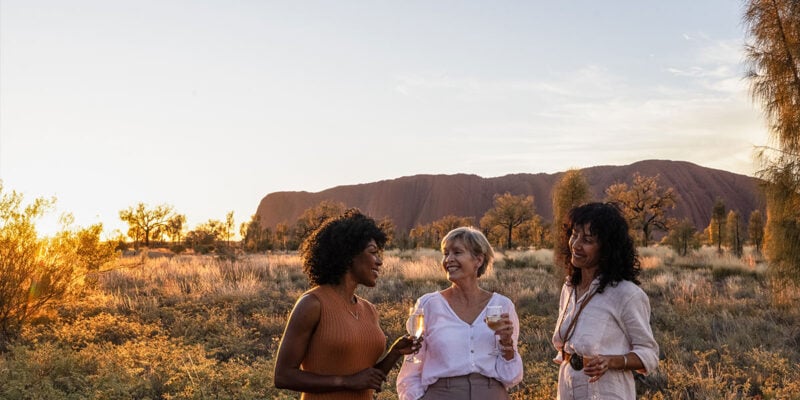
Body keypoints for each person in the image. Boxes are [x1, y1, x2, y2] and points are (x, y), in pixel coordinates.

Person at [274, 209, 419, 399]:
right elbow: (283, 376)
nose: (379, 261)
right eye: (373, 252)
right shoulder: (313, 304)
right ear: (348, 255)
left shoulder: (369, 310)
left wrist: (394, 354)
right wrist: (345, 381)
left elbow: (366, 378)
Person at [396, 226, 524, 400]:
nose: (448, 259)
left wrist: (507, 343)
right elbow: (411, 368)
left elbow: (511, 377)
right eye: (445, 253)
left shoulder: (502, 306)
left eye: (457, 252)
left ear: (478, 260)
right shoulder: (428, 305)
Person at [552, 202, 659, 399]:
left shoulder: (626, 294)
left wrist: (611, 361)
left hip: (605, 392)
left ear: (607, 248)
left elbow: (649, 354)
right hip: (567, 389)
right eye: (574, 235)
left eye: (588, 240)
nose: (576, 244)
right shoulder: (569, 288)